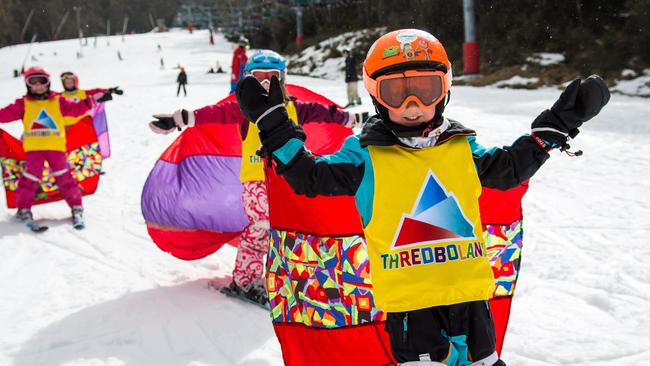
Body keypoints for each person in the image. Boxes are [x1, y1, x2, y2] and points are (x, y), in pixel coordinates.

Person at [235, 29, 610, 365]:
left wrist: (558, 125)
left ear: (444, 90)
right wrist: (274, 125)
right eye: (396, 92)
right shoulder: (365, 155)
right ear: (376, 96)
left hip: (470, 298)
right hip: (411, 308)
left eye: (425, 89)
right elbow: (310, 178)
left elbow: (509, 169)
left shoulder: (464, 148)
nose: (412, 103)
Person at [149, 50, 354, 305]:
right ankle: (245, 281)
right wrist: (179, 119)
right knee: (261, 228)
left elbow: (324, 113)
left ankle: (289, 276)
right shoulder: (243, 110)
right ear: (249, 81)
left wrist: (353, 117)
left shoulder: (293, 107)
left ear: (283, 80)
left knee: (291, 230)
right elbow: (214, 113)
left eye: (273, 78)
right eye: (259, 78)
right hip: (257, 183)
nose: (266, 84)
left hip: (289, 181)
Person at [0, 67, 115, 229]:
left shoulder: (58, 101)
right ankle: (24, 209)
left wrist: (93, 100)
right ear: (27, 85)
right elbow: (5, 114)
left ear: (48, 83)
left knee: (65, 177)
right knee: (30, 178)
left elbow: (76, 109)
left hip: (56, 148)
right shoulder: (23, 104)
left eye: (42, 82)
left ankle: (76, 206)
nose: (38, 86)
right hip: (34, 150)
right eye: (33, 82)